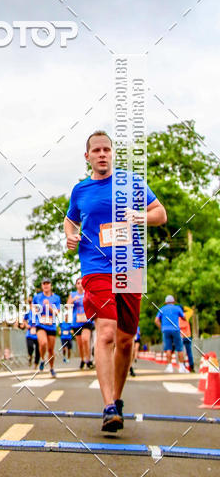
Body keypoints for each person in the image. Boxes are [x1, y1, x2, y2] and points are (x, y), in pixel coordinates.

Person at [64, 131, 167, 432]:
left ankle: (117, 400)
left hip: (130, 267)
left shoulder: (131, 183)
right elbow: (71, 220)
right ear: (88, 157)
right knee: (106, 331)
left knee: (125, 340)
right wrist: (70, 235)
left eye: (106, 149)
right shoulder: (80, 190)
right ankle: (108, 405)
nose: (102, 154)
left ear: (112, 154)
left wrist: (138, 216)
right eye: (96, 150)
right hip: (95, 268)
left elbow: (160, 213)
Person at [32, 279, 61, 377]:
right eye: (44, 284)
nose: (46, 285)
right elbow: (33, 308)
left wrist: (49, 306)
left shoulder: (56, 298)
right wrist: (36, 309)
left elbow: (57, 312)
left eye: (47, 283)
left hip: (51, 326)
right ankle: (42, 359)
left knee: (51, 349)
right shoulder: (37, 297)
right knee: (43, 342)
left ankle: (52, 368)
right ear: (41, 286)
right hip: (40, 324)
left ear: (51, 285)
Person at [155, 295, 188, 374]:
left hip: (166, 330)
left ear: (165, 302)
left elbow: (156, 320)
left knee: (168, 348)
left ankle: (169, 367)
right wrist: (185, 316)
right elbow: (184, 318)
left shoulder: (162, 309)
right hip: (176, 330)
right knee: (179, 348)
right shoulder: (177, 308)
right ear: (173, 301)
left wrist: (162, 328)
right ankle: (181, 367)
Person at [67, 276, 94, 369]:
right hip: (76, 322)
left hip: (87, 321)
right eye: (78, 283)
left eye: (82, 283)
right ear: (76, 285)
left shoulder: (88, 293)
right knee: (80, 344)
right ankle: (82, 359)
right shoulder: (73, 294)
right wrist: (74, 300)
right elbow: (67, 306)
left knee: (85, 340)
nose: (80, 285)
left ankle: (88, 359)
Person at [23, 297, 40, 368]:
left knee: (38, 349)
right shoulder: (28, 313)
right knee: (30, 347)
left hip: (38, 332)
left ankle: (36, 363)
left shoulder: (40, 313)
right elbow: (24, 320)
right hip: (30, 333)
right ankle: (30, 356)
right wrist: (26, 325)